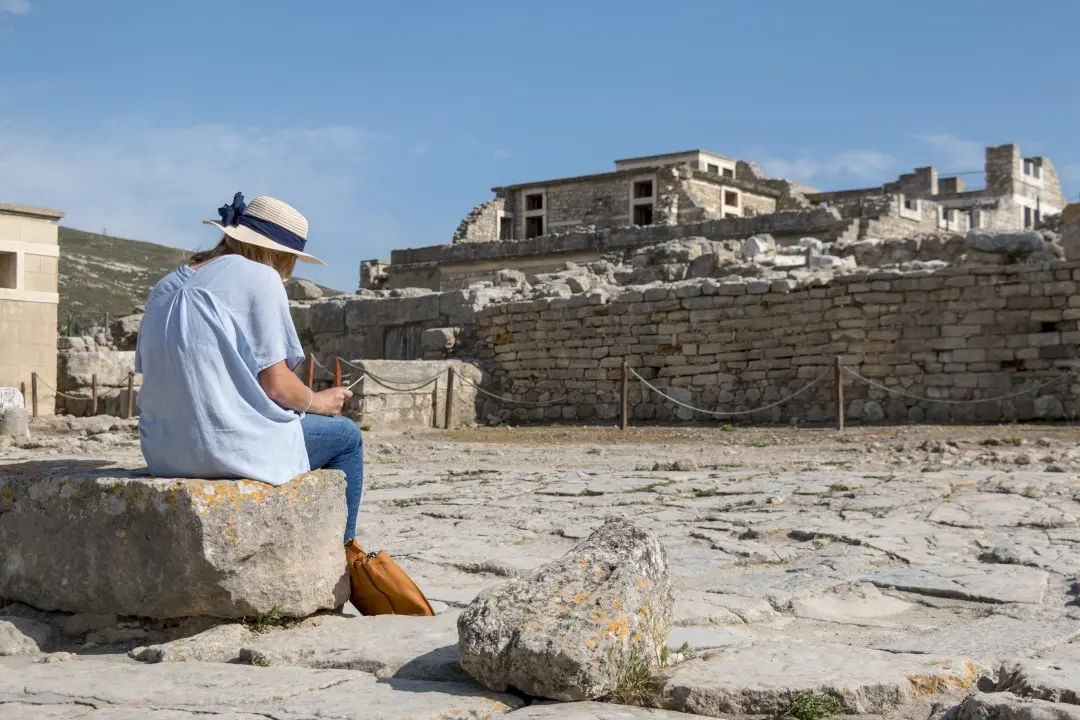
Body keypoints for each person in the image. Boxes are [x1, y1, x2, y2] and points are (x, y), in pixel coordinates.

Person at [135, 193, 363, 544]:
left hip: (163, 452)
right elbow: (277, 387)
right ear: (281, 254)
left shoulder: (165, 285)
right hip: (224, 446)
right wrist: (319, 401)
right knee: (347, 437)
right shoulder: (259, 277)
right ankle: (340, 560)